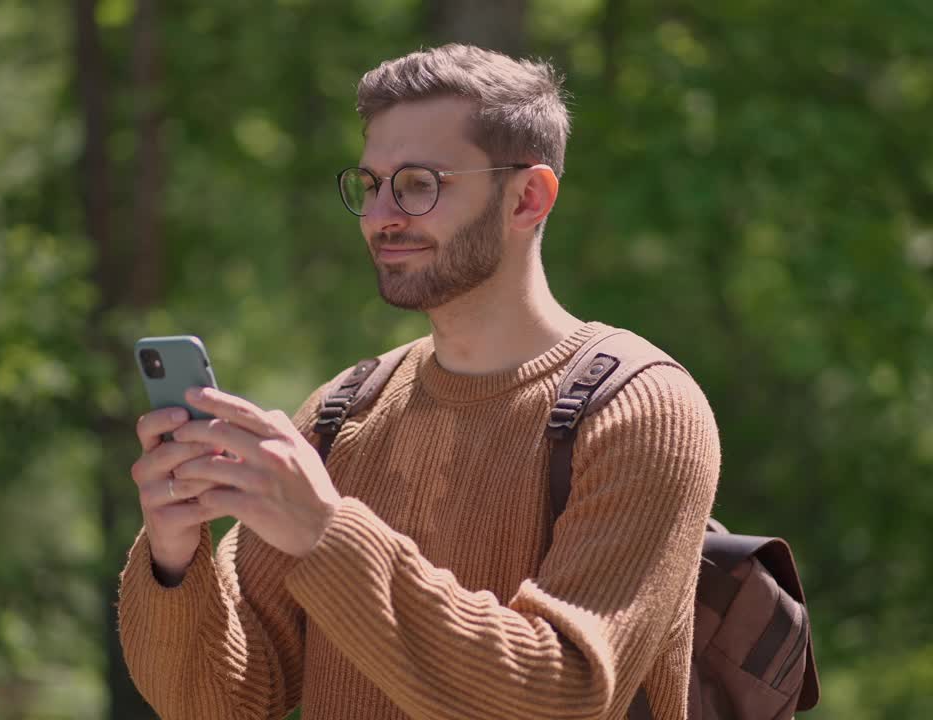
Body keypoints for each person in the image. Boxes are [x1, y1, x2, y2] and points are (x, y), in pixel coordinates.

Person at [118, 44, 721, 720]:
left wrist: (326, 534)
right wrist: (173, 559)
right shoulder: (345, 410)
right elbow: (218, 702)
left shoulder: (642, 408)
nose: (380, 216)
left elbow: (564, 696)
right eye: (370, 185)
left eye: (418, 184)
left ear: (528, 198)